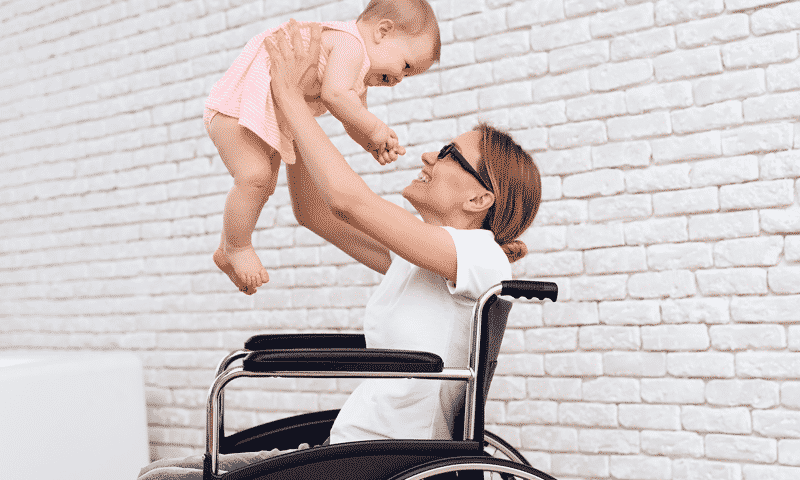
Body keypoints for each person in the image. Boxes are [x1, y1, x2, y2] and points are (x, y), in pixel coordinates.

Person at [138, 19, 541, 479]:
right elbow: (316, 212)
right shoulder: (418, 259)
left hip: (388, 462)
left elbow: (347, 201)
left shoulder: (481, 257)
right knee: (161, 471)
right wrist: (294, 109)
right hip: (352, 447)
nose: (430, 156)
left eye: (449, 152)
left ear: (479, 200)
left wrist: (291, 97)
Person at [207, 0, 441, 295]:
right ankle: (237, 247)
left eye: (407, 77)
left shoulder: (359, 72)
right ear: (383, 31)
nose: (398, 80)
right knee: (253, 176)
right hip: (238, 108)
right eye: (405, 66)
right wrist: (375, 128)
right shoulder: (350, 44)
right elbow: (334, 96)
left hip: (270, 115)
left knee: (262, 186)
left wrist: (369, 141)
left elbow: (350, 116)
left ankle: (226, 247)